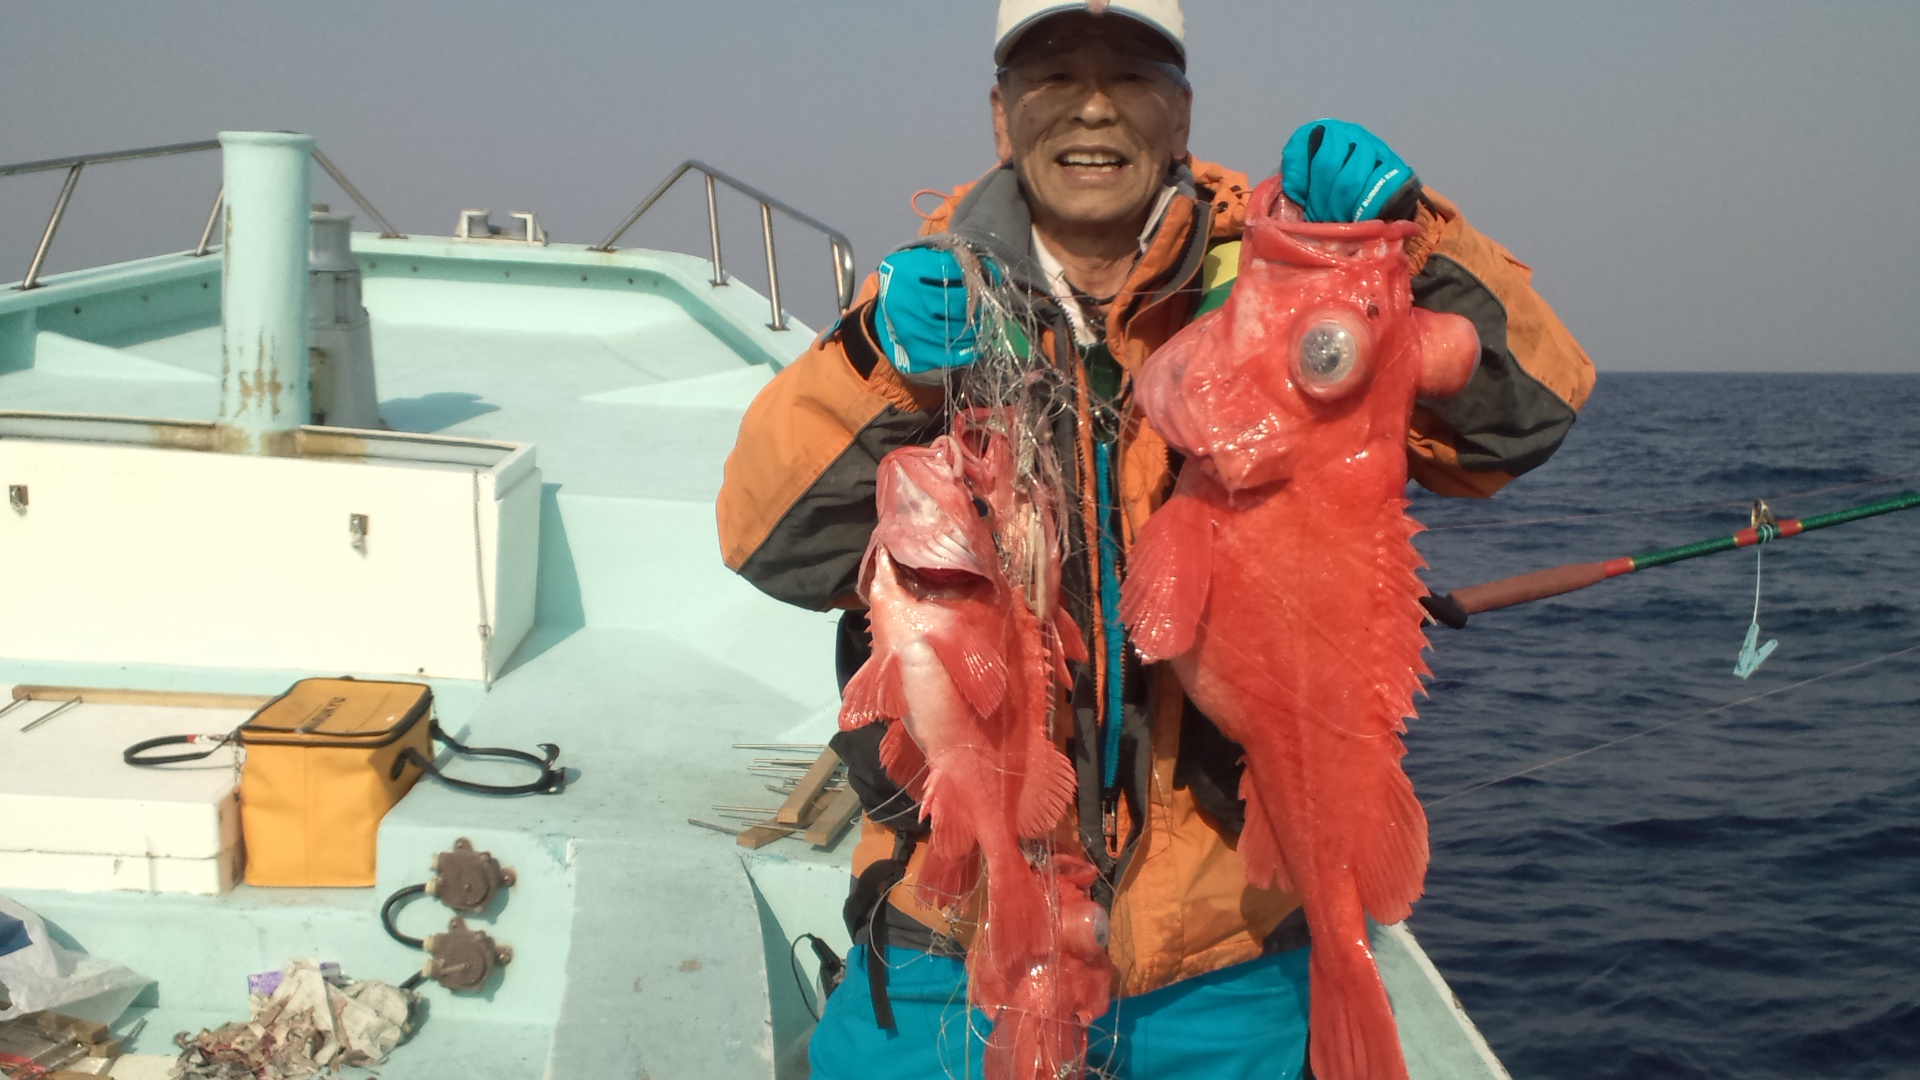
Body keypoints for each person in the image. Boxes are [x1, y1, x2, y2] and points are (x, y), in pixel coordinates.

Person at [718, 2, 1595, 1076]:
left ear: (1181, 115)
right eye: (1053, 76)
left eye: (1131, 74)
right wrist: (876, 365)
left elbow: (1527, 414)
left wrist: (1416, 237)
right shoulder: (922, 309)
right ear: (1002, 118)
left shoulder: (1273, 280)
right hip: (959, 925)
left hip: (1225, 952)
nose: (1093, 105)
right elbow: (773, 544)